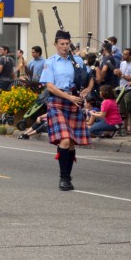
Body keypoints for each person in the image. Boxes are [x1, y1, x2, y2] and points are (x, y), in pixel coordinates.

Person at [41, 29, 93, 191]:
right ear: (55, 44)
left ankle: (68, 177)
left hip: (74, 103)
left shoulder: (77, 60)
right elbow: (49, 86)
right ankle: (64, 178)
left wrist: (87, 90)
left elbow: (90, 78)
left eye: (67, 44)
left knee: (71, 142)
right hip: (57, 103)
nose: (64, 47)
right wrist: (68, 97)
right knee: (64, 139)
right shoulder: (50, 62)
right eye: (61, 44)